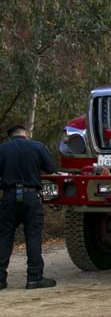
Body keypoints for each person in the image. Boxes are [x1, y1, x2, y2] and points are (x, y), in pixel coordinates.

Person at [0, 124, 57, 290]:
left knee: (4, 237)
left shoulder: (2, 149)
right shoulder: (37, 146)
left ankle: (0, 279)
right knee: (33, 236)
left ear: (10, 136)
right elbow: (51, 171)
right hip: (31, 196)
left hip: (9, 197)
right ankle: (34, 278)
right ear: (26, 134)